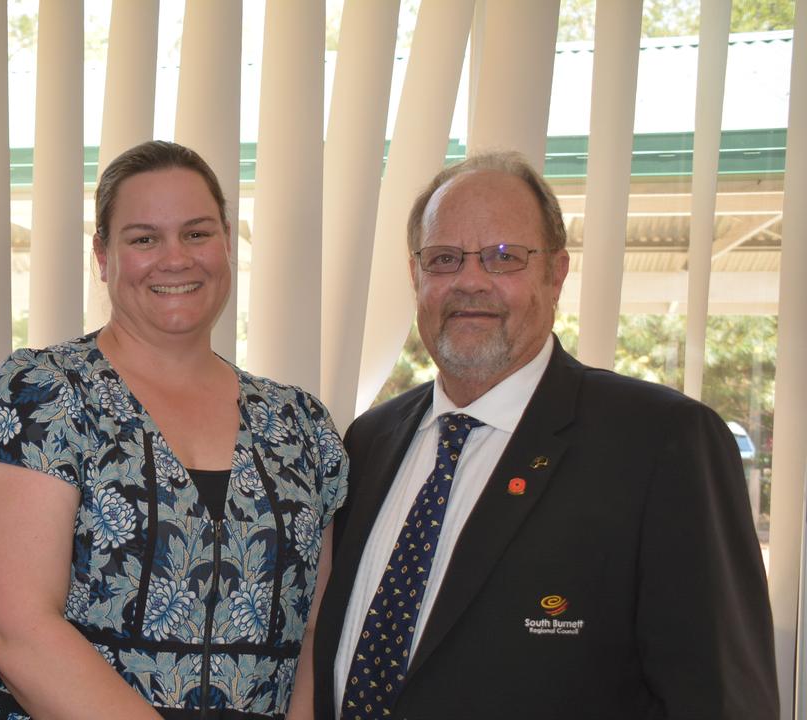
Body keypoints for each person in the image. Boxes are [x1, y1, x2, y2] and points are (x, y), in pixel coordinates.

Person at [312, 151, 777, 719]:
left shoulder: (662, 444)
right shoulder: (369, 441)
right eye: (444, 258)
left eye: (504, 257)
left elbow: (722, 701)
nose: (471, 281)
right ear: (416, 277)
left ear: (555, 274)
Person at [0, 140, 347, 719]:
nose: (176, 258)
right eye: (143, 238)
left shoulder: (301, 423)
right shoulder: (43, 394)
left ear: (227, 244)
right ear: (103, 257)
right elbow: (15, 630)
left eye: (197, 233)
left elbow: (316, 630)